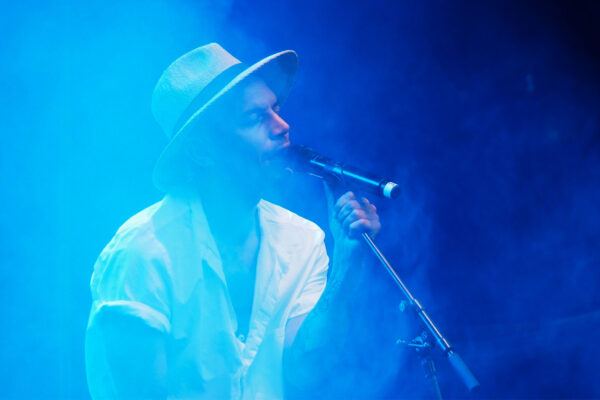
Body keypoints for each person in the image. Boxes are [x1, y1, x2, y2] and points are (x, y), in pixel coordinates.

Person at [85, 43, 383, 399]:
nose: (283, 127)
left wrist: (349, 261)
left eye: (276, 109)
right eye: (254, 118)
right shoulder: (144, 252)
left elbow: (307, 372)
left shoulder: (303, 241)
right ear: (201, 150)